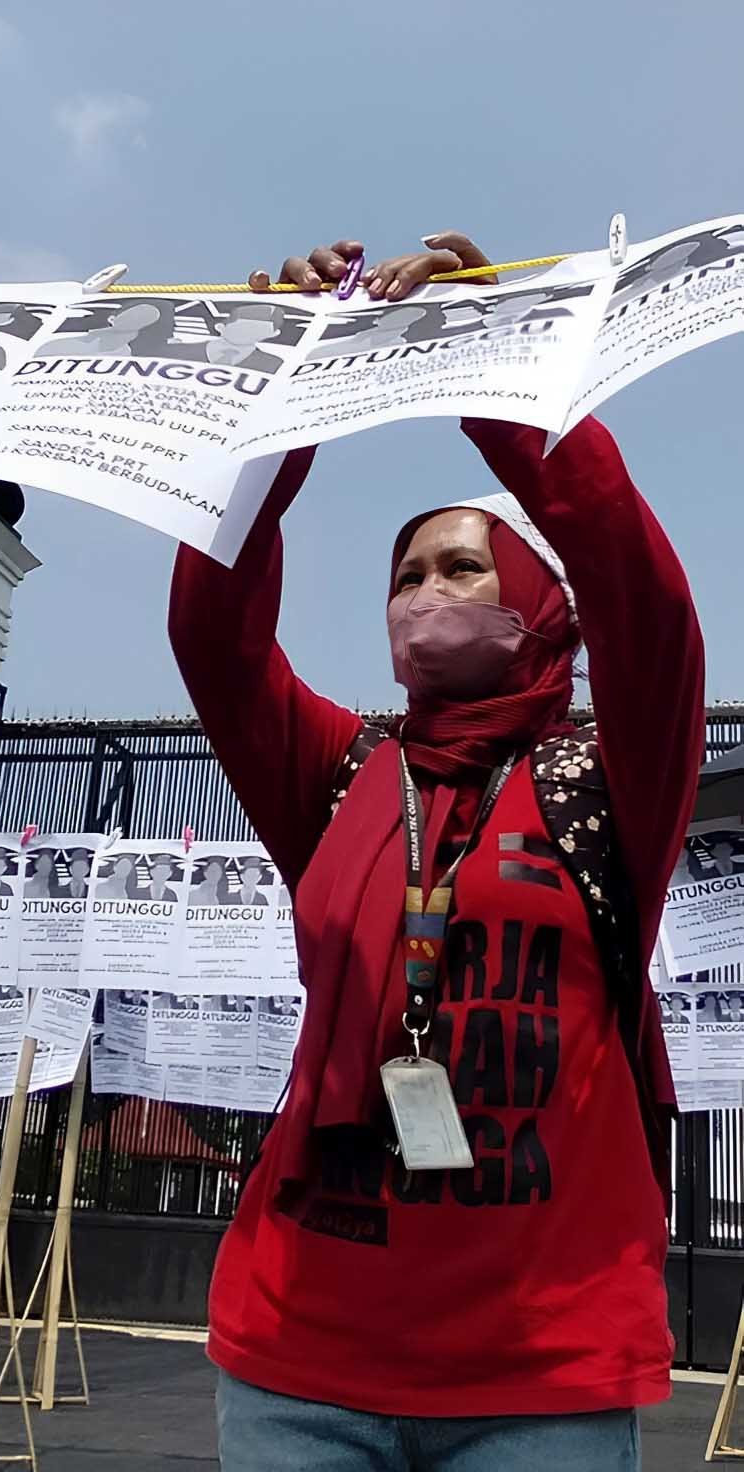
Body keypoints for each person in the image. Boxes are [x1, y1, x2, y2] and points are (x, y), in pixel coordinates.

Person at [173, 232, 703, 1470]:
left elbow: (648, 598)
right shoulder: (342, 768)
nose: (422, 590)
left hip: (540, 1377)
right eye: (406, 572)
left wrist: (495, 369)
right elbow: (216, 638)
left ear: (543, 603)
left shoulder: (608, 778)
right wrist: (282, 401)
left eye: (460, 564)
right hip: (298, 1361)